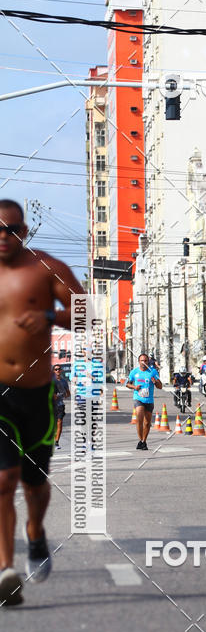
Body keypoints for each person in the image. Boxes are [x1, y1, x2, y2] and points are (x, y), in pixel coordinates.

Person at [0, 199, 85, 606]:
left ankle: (35, 532)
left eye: (13, 229)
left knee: (35, 484)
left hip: (36, 393)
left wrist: (51, 317)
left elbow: (87, 314)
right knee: (2, 481)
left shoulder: (46, 267)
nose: (4, 236)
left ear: (26, 231)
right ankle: (6, 570)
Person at [126, 353, 162, 450]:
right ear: (139, 362)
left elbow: (160, 386)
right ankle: (140, 439)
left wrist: (155, 382)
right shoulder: (134, 372)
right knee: (139, 417)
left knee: (147, 423)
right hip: (138, 398)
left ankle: (143, 441)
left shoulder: (153, 371)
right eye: (142, 361)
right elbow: (127, 384)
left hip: (149, 400)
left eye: (146, 361)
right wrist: (134, 387)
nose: (144, 362)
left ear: (148, 362)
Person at [52, 364, 70, 449]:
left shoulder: (64, 381)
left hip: (60, 405)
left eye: (59, 369)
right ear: (53, 371)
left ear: (61, 370)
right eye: (56, 369)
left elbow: (68, 393)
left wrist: (64, 395)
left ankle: (56, 442)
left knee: (59, 422)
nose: (58, 370)